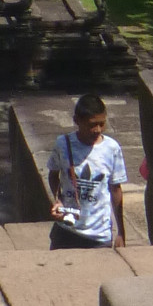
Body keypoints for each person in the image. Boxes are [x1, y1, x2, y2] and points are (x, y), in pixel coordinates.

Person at [46, 91, 128, 249]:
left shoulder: (112, 148)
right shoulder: (63, 144)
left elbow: (115, 189)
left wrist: (121, 232)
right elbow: (53, 174)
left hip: (98, 234)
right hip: (67, 229)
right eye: (91, 125)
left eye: (102, 124)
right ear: (77, 121)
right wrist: (57, 200)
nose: (97, 130)